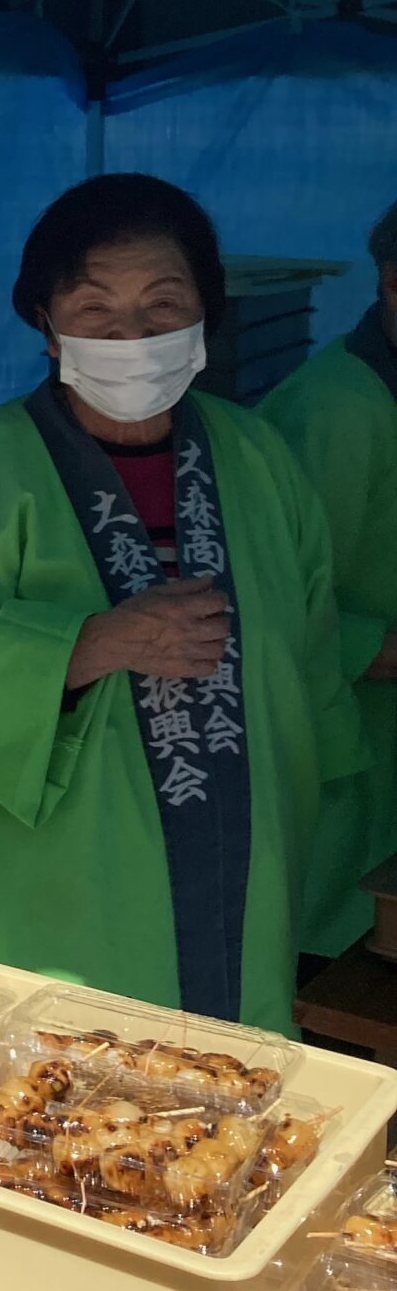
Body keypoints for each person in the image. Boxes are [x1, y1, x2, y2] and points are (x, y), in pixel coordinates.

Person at [0, 173, 368, 1035]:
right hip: (54, 883)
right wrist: (88, 643)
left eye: (162, 304)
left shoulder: (258, 456)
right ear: (45, 324)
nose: (132, 335)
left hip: (244, 854)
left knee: (233, 1100)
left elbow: (312, 655)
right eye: (95, 309)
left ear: (203, 315)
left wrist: (326, 860)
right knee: (61, 1105)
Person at [258, 196, 397, 960]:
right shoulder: (336, 410)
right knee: (337, 970)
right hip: (341, 765)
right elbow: (276, 609)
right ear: (391, 282)